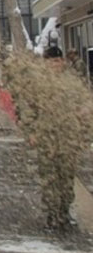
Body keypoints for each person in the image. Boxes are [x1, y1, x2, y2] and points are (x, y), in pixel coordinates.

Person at [5, 47, 93, 231]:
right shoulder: (37, 83)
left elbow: (84, 105)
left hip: (68, 136)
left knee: (67, 178)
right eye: (53, 61)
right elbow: (28, 109)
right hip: (46, 136)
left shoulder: (71, 81)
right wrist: (31, 132)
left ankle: (64, 211)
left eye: (59, 60)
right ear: (45, 63)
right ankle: (52, 214)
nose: (57, 64)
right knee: (49, 177)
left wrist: (84, 126)